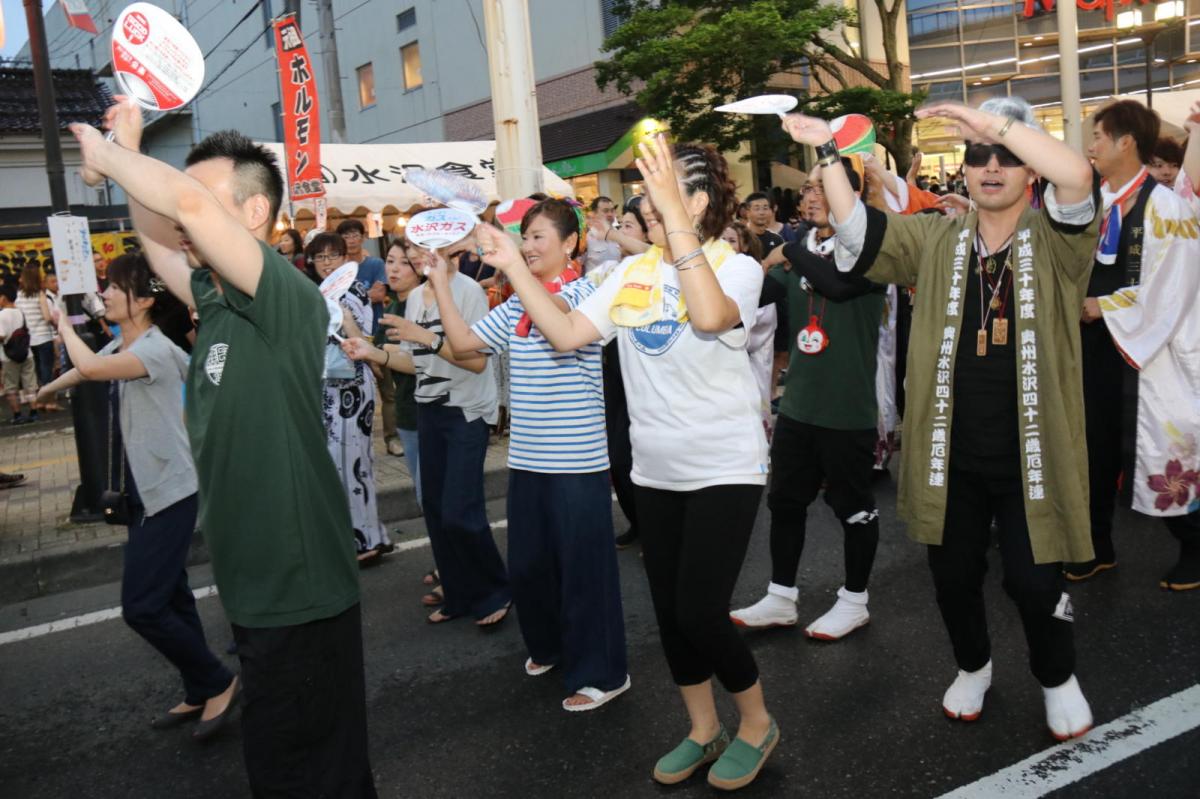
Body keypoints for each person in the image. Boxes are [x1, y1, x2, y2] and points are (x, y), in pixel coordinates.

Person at [76, 99, 376, 796]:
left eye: (207, 202)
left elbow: (183, 202)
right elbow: (161, 236)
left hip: (300, 585)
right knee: (280, 765)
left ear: (251, 215)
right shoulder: (217, 300)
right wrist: (126, 151)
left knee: (321, 772)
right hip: (253, 583)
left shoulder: (287, 299)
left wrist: (109, 150)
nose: (187, 213)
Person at [780, 96, 1098, 740]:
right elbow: (859, 233)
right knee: (952, 576)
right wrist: (829, 152)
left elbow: (1078, 178)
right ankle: (973, 665)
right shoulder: (936, 235)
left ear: (1029, 171)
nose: (990, 166)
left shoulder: (1060, 238)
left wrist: (995, 123)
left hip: (1032, 452)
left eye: (1007, 157)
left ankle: (1057, 675)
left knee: (1034, 585)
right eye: (979, 156)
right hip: (948, 451)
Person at [474, 137, 777, 790]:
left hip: (725, 465)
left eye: (660, 188)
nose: (645, 199)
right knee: (669, 615)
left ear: (697, 199)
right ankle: (702, 727)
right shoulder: (629, 274)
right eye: (647, 190)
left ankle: (754, 721)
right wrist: (513, 264)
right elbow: (564, 333)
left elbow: (708, 314)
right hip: (654, 471)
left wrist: (676, 227)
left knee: (700, 610)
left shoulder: (734, 266)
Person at [425, 198, 630, 711]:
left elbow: (561, 330)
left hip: (578, 461)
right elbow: (464, 344)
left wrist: (515, 269)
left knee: (584, 572)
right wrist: (440, 284)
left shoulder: (589, 290)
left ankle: (604, 673)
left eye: (540, 237)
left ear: (570, 244)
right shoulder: (518, 301)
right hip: (527, 459)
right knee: (532, 567)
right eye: (526, 236)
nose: (529, 246)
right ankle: (551, 647)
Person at [37, 253, 238, 740]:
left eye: (113, 287)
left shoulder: (151, 350)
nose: (104, 294)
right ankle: (199, 687)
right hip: (145, 490)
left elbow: (88, 364)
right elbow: (86, 371)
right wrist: (46, 390)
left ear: (144, 300)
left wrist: (61, 322)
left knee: (142, 607)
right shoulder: (124, 342)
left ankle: (217, 680)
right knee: (172, 596)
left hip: (170, 491)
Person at [731, 161, 885, 640]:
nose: (813, 197)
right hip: (797, 403)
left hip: (846, 406)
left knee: (853, 507)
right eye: (807, 190)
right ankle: (781, 596)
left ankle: (854, 600)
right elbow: (748, 302)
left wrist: (788, 252)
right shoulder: (800, 252)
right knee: (784, 502)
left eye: (823, 188)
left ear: (848, 196)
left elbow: (838, 286)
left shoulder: (871, 245)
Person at [345, 242, 511, 628]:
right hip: (429, 409)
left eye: (422, 248)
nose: (417, 256)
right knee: (435, 510)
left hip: (466, 411)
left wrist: (423, 336)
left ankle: (495, 591)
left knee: (460, 511)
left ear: (448, 246)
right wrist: (372, 353)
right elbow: (412, 362)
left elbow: (475, 361)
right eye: (411, 248)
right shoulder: (417, 296)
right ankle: (457, 593)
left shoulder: (469, 291)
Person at [1071, 100, 1200, 590]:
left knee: (1158, 448)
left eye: (1099, 136)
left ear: (1126, 142)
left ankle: (1193, 543)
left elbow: (1175, 284)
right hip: (1098, 345)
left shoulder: (1166, 205)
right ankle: (1096, 545)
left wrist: (1104, 306)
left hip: (1150, 350)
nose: (1091, 146)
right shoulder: (1098, 200)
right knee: (1095, 447)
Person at [306, 232, 391, 564]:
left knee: (354, 464)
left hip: (353, 385)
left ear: (345, 258)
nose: (326, 263)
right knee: (339, 463)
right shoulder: (315, 292)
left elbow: (361, 336)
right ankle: (367, 535)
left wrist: (339, 312)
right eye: (319, 258)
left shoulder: (353, 289)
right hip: (329, 387)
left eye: (332, 256)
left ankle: (366, 539)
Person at [606, 196, 651, 550]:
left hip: (646, 381)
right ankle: (640, 522)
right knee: (617, 459)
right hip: (613, 377)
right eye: (619, 225)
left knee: (632, 457)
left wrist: (608, 232)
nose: (619, 233)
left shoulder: (655, 269)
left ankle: (654, 523)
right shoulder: (610, 271)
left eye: (628, 226)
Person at [721, 222, 776, 436]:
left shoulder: (753, 274)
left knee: (755, 395)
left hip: (752, 351)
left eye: (732, 241)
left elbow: (762, 325)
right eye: (722, 240)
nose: (725, 245)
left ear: (744, 246)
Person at [16, 265, 55, 413]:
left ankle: (38, 401)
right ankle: (49, 402)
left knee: (36, 371)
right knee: (47, 370)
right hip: (44, 337)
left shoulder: (19, 295)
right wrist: (54, 322)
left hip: (28, 340)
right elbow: (46, 316)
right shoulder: (39, 294)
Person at [338, 218, 388, 329]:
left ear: (363, 237)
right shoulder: (339, 270)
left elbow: (379, 295)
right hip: (348, 328)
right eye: (346, 237)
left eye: (355, 235)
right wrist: (368, 293)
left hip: (375, 325)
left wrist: (351, 299)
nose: (351, 241)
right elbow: (338, 301)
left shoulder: (376, 264)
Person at [0, 285, 38, 425]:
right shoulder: (20, 312)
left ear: (3, 298)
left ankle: (17, 415)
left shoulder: (1, 315)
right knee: (30, 383)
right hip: (26, 353)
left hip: (8, 356)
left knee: (11, 387)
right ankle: (34, 411)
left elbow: (2, 335)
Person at [584, 195, 622, 272]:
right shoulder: (586, 238)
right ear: (594, 213)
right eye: (605, 211)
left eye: (612, 211)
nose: (610, 214)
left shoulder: (619, 235)